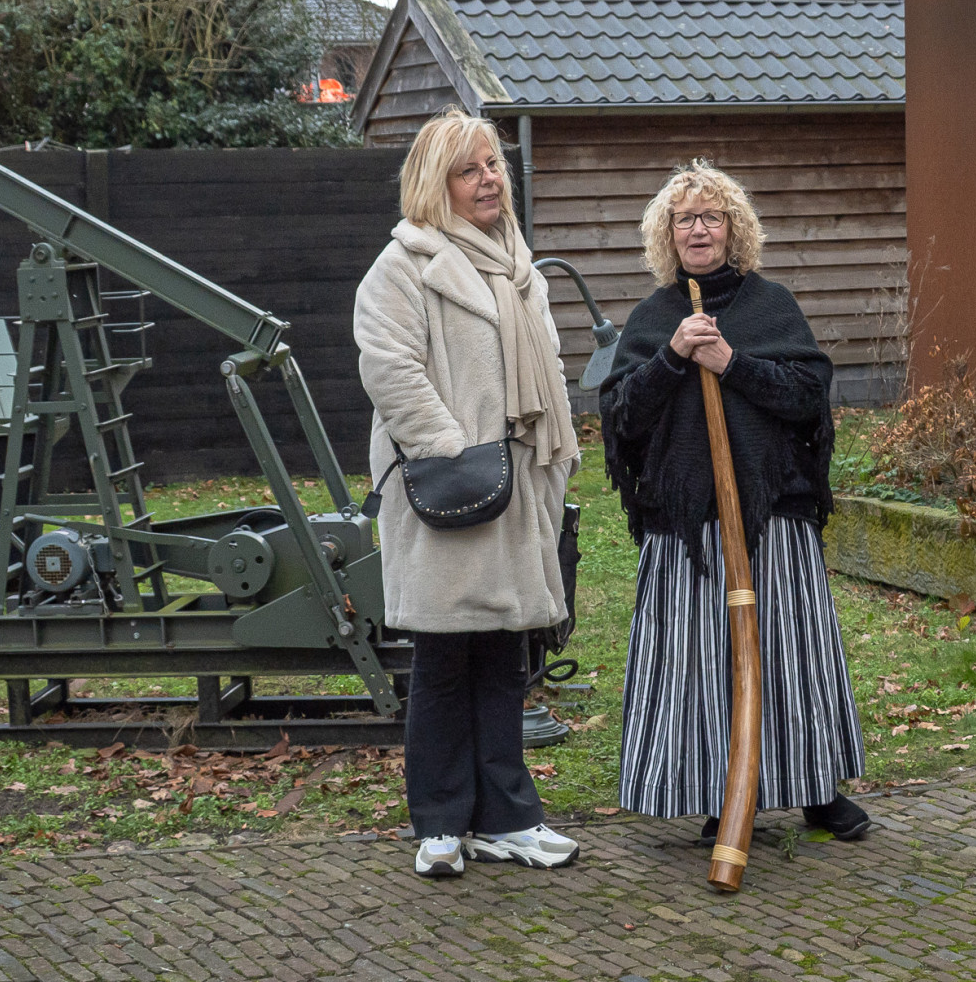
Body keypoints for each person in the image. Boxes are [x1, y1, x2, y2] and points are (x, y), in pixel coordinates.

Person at [599, 161, 869, 844]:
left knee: (788, 655)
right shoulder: (653, 318)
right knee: (705, 664)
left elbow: (807, 396)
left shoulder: (770, 306)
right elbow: (623, 417)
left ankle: (815, 787)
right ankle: (725, 792)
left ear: (733, 229)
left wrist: (732, 364)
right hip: (689, 528)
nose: (698, 229)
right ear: (667, 234)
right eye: (684, 219)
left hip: (771, 518)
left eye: (711, 217)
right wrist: (671, 358)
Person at [354, 107, 582, 878]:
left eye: (493, 165)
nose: (489, 180)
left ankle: (507, 820)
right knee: (445, 657)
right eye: (469, 169)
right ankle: (441, 823)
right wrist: (453, 454)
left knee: (506, 656)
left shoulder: (518, 265)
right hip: (451, 492)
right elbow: (390, 370)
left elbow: (548, 368)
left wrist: (552, 460)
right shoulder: (403, 266)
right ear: (435, 183)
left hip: (519, 491)